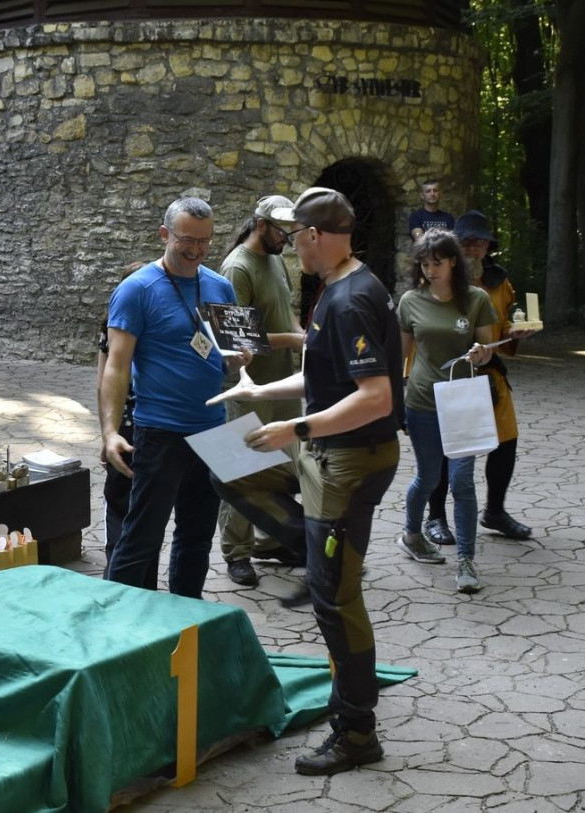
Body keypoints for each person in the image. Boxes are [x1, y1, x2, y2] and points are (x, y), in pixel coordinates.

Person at [209, 187, 404, 775]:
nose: (294, 251)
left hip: (343, 462)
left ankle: (356, 731)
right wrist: (259, 392)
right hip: (330, 452)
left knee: (336, 601)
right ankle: (302, 542)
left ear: (315, 236)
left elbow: (375, 398)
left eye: (297, 240)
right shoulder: (342, 289)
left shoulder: (349, 300)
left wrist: (293, 429)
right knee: (227, 463)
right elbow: (327, 377)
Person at [100, 197, 248, 599]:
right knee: (141, 538)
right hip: (159, 432)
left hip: (211, 431)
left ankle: (186, 618)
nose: (197, 250)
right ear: (164, 234)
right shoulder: (137, 290)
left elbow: (230, 361)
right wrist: (110, 431)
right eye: (187, 240)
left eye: (205, 241)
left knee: (197, 537)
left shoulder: (220, 287)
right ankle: (118, 627)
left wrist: (239, 359)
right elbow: (115, 366)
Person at [423, 211, 536, 545]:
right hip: (449, 376)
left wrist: (517, 332)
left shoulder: (501, 283)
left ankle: (495, 512)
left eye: (480, 240)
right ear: (455, 245)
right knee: (445, 450)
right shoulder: (437, 281)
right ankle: (436, 518)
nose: (473, 246)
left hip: (490, 377)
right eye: (466, 240)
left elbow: (504, 328)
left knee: (506, 442)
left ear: (489, 246)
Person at [396, 229, 496, 594]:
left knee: (462, 482)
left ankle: (466, 561)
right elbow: (402, 356)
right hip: (422, 400)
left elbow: (488, 348)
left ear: (453, 260)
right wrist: (394, 403)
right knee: (428, 478)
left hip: (463, 402)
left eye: (436, 262)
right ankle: (411, 533)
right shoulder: (410, 300)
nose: (430, 270)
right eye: (424, 263)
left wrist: (483, 353)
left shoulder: (476, 299)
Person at [215, 195, 306, 586]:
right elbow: (238, 338)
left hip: (282, 382)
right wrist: (300, 340)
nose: (288, 237)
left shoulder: (277, 259)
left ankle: (272, 540)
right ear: (261, 225)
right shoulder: (237, 268)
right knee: (242, 466)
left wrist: (302, 336)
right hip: (249, 387)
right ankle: (237, 552)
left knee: (281, 465)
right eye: (282, 229)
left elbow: (286, 311)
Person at [96, 262, 159, 588]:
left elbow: (100, 382)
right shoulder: (154, 319)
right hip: (140, 426)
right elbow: (105, 378)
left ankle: (120, 579)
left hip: (128, 426)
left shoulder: (113, 322)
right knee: (138, 510)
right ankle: (134, 583)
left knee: (125, 508)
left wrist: (106, 433)